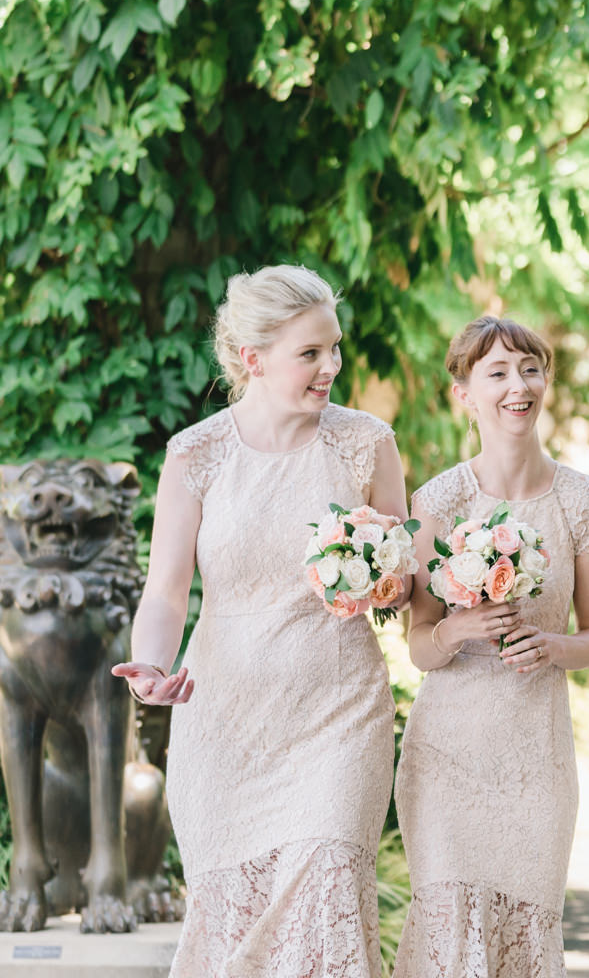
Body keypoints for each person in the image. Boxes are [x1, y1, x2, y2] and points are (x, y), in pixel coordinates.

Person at [114, 264, 408, 976]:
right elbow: (165, 592)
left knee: (328, 878)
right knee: (234, 927)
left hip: (338, 717)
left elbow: (406, 579)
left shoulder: (367, 442)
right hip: (226, 731)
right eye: (310, 353)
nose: (331, 366)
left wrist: (387, 582)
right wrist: (150, 669)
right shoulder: (195, 455)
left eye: (334, 348)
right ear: (253, 359)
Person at [393, 316, 589, 977]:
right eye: (497, 373)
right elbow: (419, 644)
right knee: (451, 932)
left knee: (523, 930)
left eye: (530, 369)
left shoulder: (586, 503)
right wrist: (457, 629)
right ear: (464, 393)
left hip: (536, 757)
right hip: (447, 757)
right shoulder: (438, 500)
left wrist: (552, 646)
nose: (518, 386)